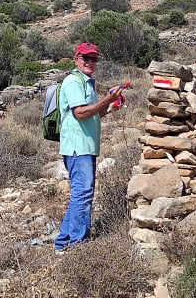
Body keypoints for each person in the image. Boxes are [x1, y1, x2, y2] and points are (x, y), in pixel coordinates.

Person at [54, 42, 125, 252]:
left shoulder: (87, 83)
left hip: (85, 146)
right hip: (78, 148)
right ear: (76, 59)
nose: (90, 62)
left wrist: (112, 105)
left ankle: (63, 243)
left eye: (94, 58)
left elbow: (93, 113)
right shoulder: (74, 82)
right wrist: (107, 99)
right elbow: (81, 113)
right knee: (83, 194)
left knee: (81, 194)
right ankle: (78, 246)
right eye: (85, 57)